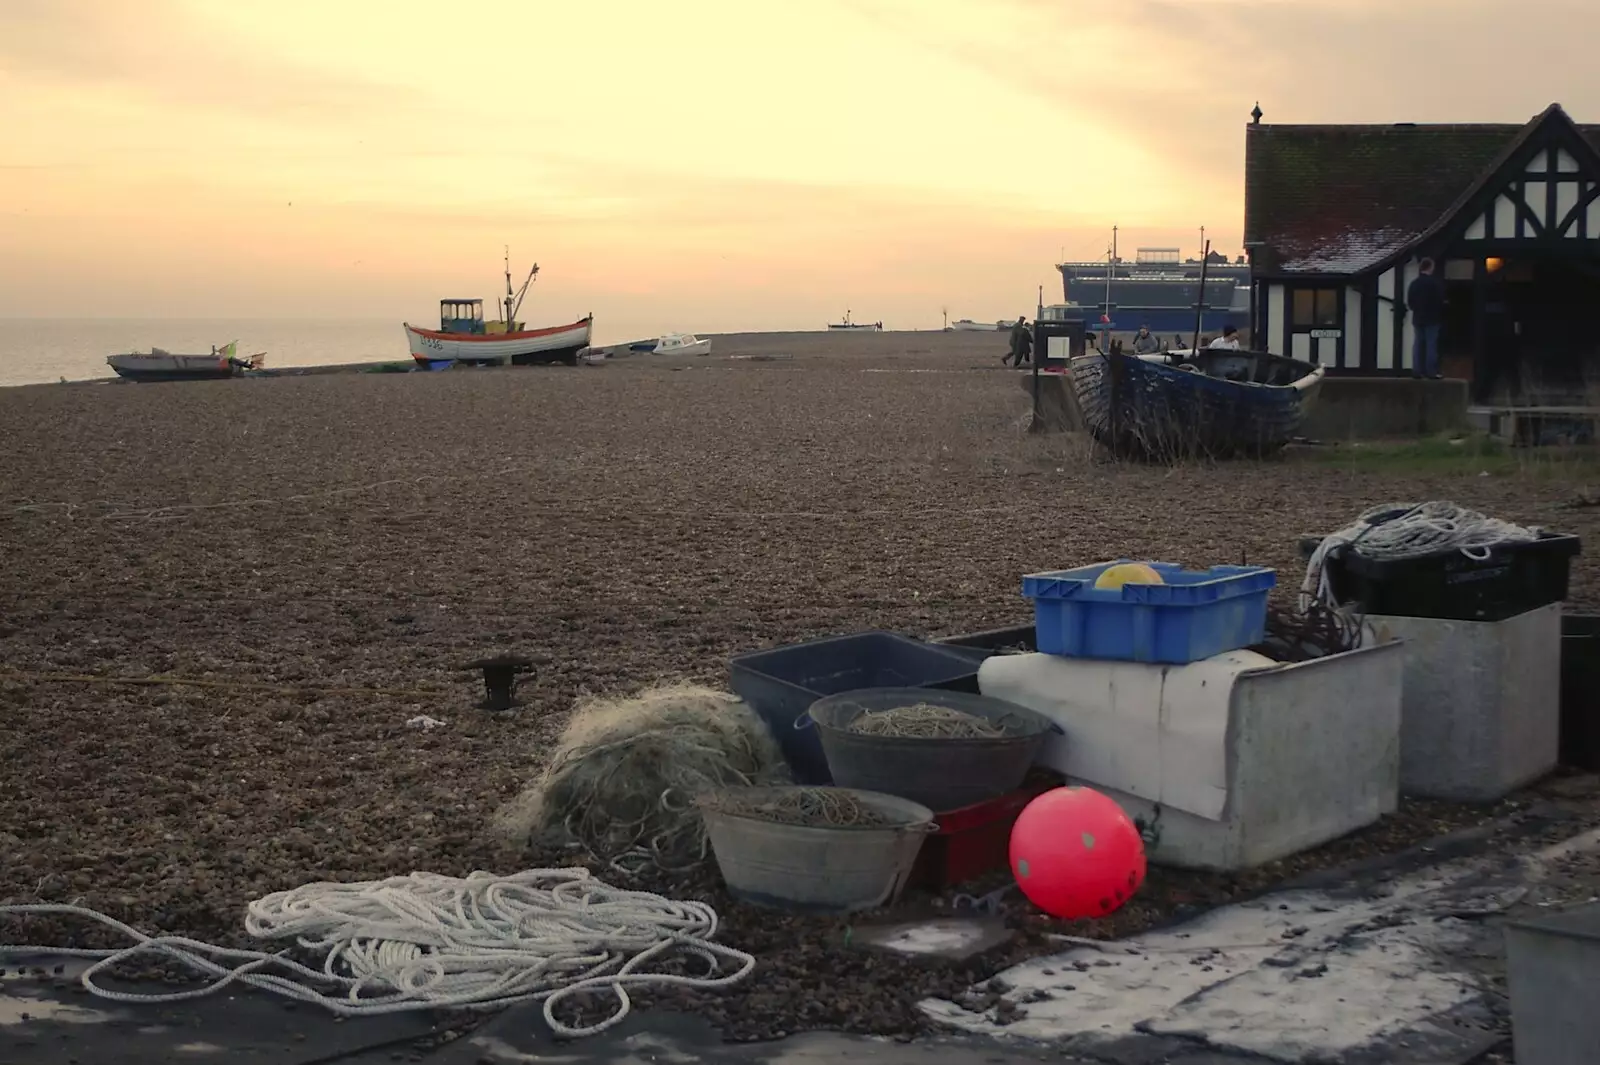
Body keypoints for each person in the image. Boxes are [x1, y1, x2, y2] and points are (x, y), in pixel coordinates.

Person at [1406, 258, 1446, 379]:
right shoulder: (1435, 284)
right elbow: (1440, 300)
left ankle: (1417, 371)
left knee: (1418, 344)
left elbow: (1410, 302)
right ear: (1430, 267)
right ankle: (1431, 372)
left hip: (1418, 318)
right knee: (1431, 344)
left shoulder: (1414, 283)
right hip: (1432, 318)